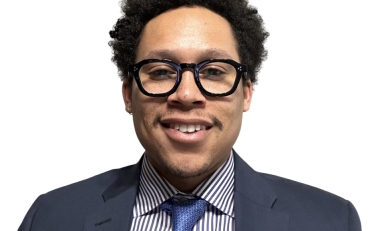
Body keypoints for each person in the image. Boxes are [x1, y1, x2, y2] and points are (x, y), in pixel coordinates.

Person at [18, 0, 361, 230]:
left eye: (213, 72)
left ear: (246, 93)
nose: (185, 95)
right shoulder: (51, 217)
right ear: (128, 94)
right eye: (161, 71)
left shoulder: (329, 220)